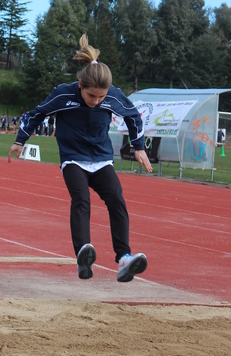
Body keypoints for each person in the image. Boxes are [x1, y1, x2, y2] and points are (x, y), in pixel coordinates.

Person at [8, 34, 152, 283]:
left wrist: (138, 147)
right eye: (91, 97)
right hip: (73, 159)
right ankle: (84, 252)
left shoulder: (113, 96)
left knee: (117, 200)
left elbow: (133, 117)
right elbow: (37, 113)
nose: (96, 102)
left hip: (101, 159)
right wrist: (20, 140)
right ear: (80, 86)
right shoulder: (63, 95)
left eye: (101, 97)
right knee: (81, 199)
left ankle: (124, 258)